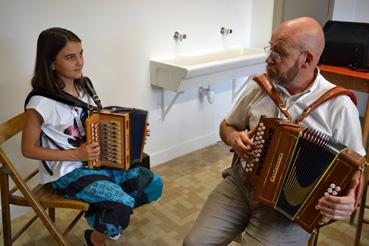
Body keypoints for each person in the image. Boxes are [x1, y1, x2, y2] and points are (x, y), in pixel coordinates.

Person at [183, 17, 366, 246]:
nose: (268, 59)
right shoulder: (260, 86)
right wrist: (233, 137)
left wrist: (351, 198)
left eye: (279, 53)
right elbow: (227, 126)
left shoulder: (339, 105)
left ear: (306, 60)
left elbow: (356, 165)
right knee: (194, 243)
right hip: (242, 183)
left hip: (291, 207)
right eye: (270, 48)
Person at [21, 27, 163, 246]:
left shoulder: (83, 86)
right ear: (51, 62)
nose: (79, 62)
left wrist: (131, 135)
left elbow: (96, 124)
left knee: (153, 183)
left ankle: (103, 215)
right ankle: (96, 238)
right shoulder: (40, 103)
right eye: (70, 57)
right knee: (121, 201)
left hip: (95, 163)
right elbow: (28, 149)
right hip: (67, 172)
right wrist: (76, 153)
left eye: (81, 54)